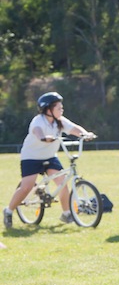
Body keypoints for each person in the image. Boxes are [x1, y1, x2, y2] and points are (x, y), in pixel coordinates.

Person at [3, 92, 96, 229]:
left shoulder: (60, 121)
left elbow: (74, 128)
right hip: (31, 157)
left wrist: (85, 134)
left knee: (63, 182)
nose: (62, 110)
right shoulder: (38, 120)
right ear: (48, 110)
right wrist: (44, 137)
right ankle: (9, 210)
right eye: (58, 108)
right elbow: (37, 131)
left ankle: (66, 213)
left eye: (61, 107)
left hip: (50, 156)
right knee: (26, 187)